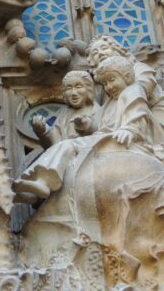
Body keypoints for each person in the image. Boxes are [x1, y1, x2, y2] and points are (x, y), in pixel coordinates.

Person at [87, 36, 164, 156]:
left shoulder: (137, 68)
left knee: (131, 89)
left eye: (104, 48)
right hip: (121, 129)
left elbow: (141, 87)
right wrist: (86, 125)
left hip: (157, 119)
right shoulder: (104, 89)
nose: (100, 53)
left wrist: (130, 128)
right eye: (95, 53)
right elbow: (103, 114)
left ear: (117, 50)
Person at [13, 71, 100, 201]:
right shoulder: (65, 112)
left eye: (79, 87)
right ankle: (34, 192)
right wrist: (43, 130)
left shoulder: (96, 110)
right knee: (57, 149)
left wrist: (86, 127)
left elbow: (101, 133)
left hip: (85, 154)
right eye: (69, 88)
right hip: (65, 154)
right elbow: (55, 142)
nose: (73, 93)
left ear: (89, 89)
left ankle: (41, 186)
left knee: (65, 146)